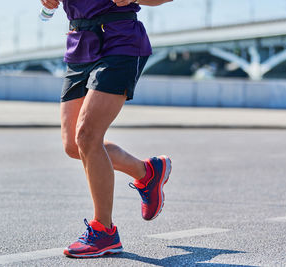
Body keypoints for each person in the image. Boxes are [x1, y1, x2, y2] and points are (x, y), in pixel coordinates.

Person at [40, 0, 173, 258]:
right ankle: (147, 172)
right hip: (79, 44)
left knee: (87, 135)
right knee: (73, 145)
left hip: (119, 40)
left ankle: (104, 231)